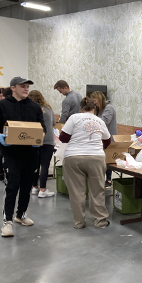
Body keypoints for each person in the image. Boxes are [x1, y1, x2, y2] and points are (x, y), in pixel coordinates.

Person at [0, 77, 46, 237]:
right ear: (13, 88)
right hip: (11, 154)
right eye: (22, 86)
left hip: (31, 154)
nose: (26, 89)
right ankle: (7, 222)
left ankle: (21, 215)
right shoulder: (1, 105)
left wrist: (38, 139)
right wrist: (0, 137)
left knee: (27, 186)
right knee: (12, 186)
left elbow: (42, 128)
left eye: (27, 87)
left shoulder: (35, 107)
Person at [59, 97, 112, 229]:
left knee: (77, 192)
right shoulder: (99, 120)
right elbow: (107, 140)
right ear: (94, 108)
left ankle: (79, 222)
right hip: (96, 157)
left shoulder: (74, 117)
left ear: (81, 108)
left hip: (74, 157)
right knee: (97, 190)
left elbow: (63, 137)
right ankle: (100, 221)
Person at [27, 90, 57, 199]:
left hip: (34, 140)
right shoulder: (49, 109)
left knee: (35, 164)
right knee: (45, 166)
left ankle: (34, 187)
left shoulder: (30, 109)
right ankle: (43, 190)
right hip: (48, 140)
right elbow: (53, 123)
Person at [89, 91, 118, 189]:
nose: (94, 103)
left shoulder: (109, 108)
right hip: (100, 139)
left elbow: (104, 122)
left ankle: (108, 180)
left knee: (107, 160)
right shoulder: (97, 109)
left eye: (95, 100)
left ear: (100, 99)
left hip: (109, 138)